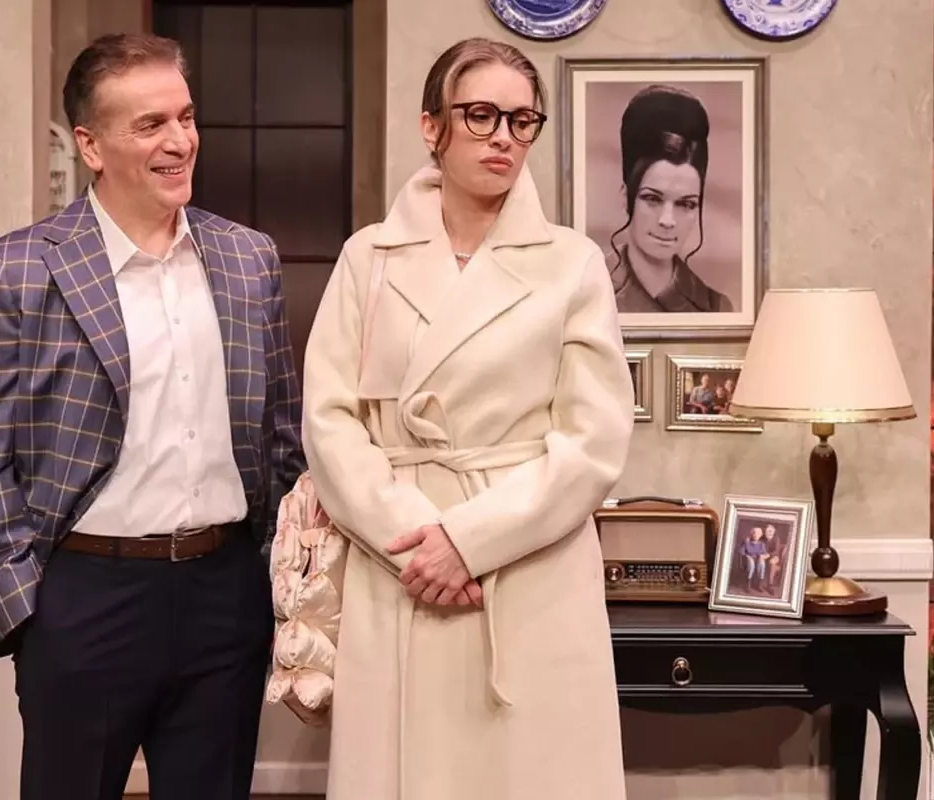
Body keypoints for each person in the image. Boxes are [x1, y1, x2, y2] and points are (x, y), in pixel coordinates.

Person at [0, 33, 305, 800]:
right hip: (82, 600)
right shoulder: (20, 267)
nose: (180, 141)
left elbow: (282, 436)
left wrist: (271, 580)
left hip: (224, 599)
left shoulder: (249, 260)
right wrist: (28, 612)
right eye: (150, 125)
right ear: (90, 145)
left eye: (186, 117)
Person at [301, 37, 634, 800]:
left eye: (521, 120)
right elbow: (329, 419)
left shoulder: (572, 262)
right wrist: (419, 543)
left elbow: (594, 440)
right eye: (480, 115)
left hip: (529, 566)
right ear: (433, 126)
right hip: (400, 560)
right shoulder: (368, 258)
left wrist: (469, 541)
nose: (503, 137)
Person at [607, 84, 734, 313]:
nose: (667, 220)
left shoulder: (715, 307)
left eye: (686, 204)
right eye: (652, 199)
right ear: (626, 196)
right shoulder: (591, 289)